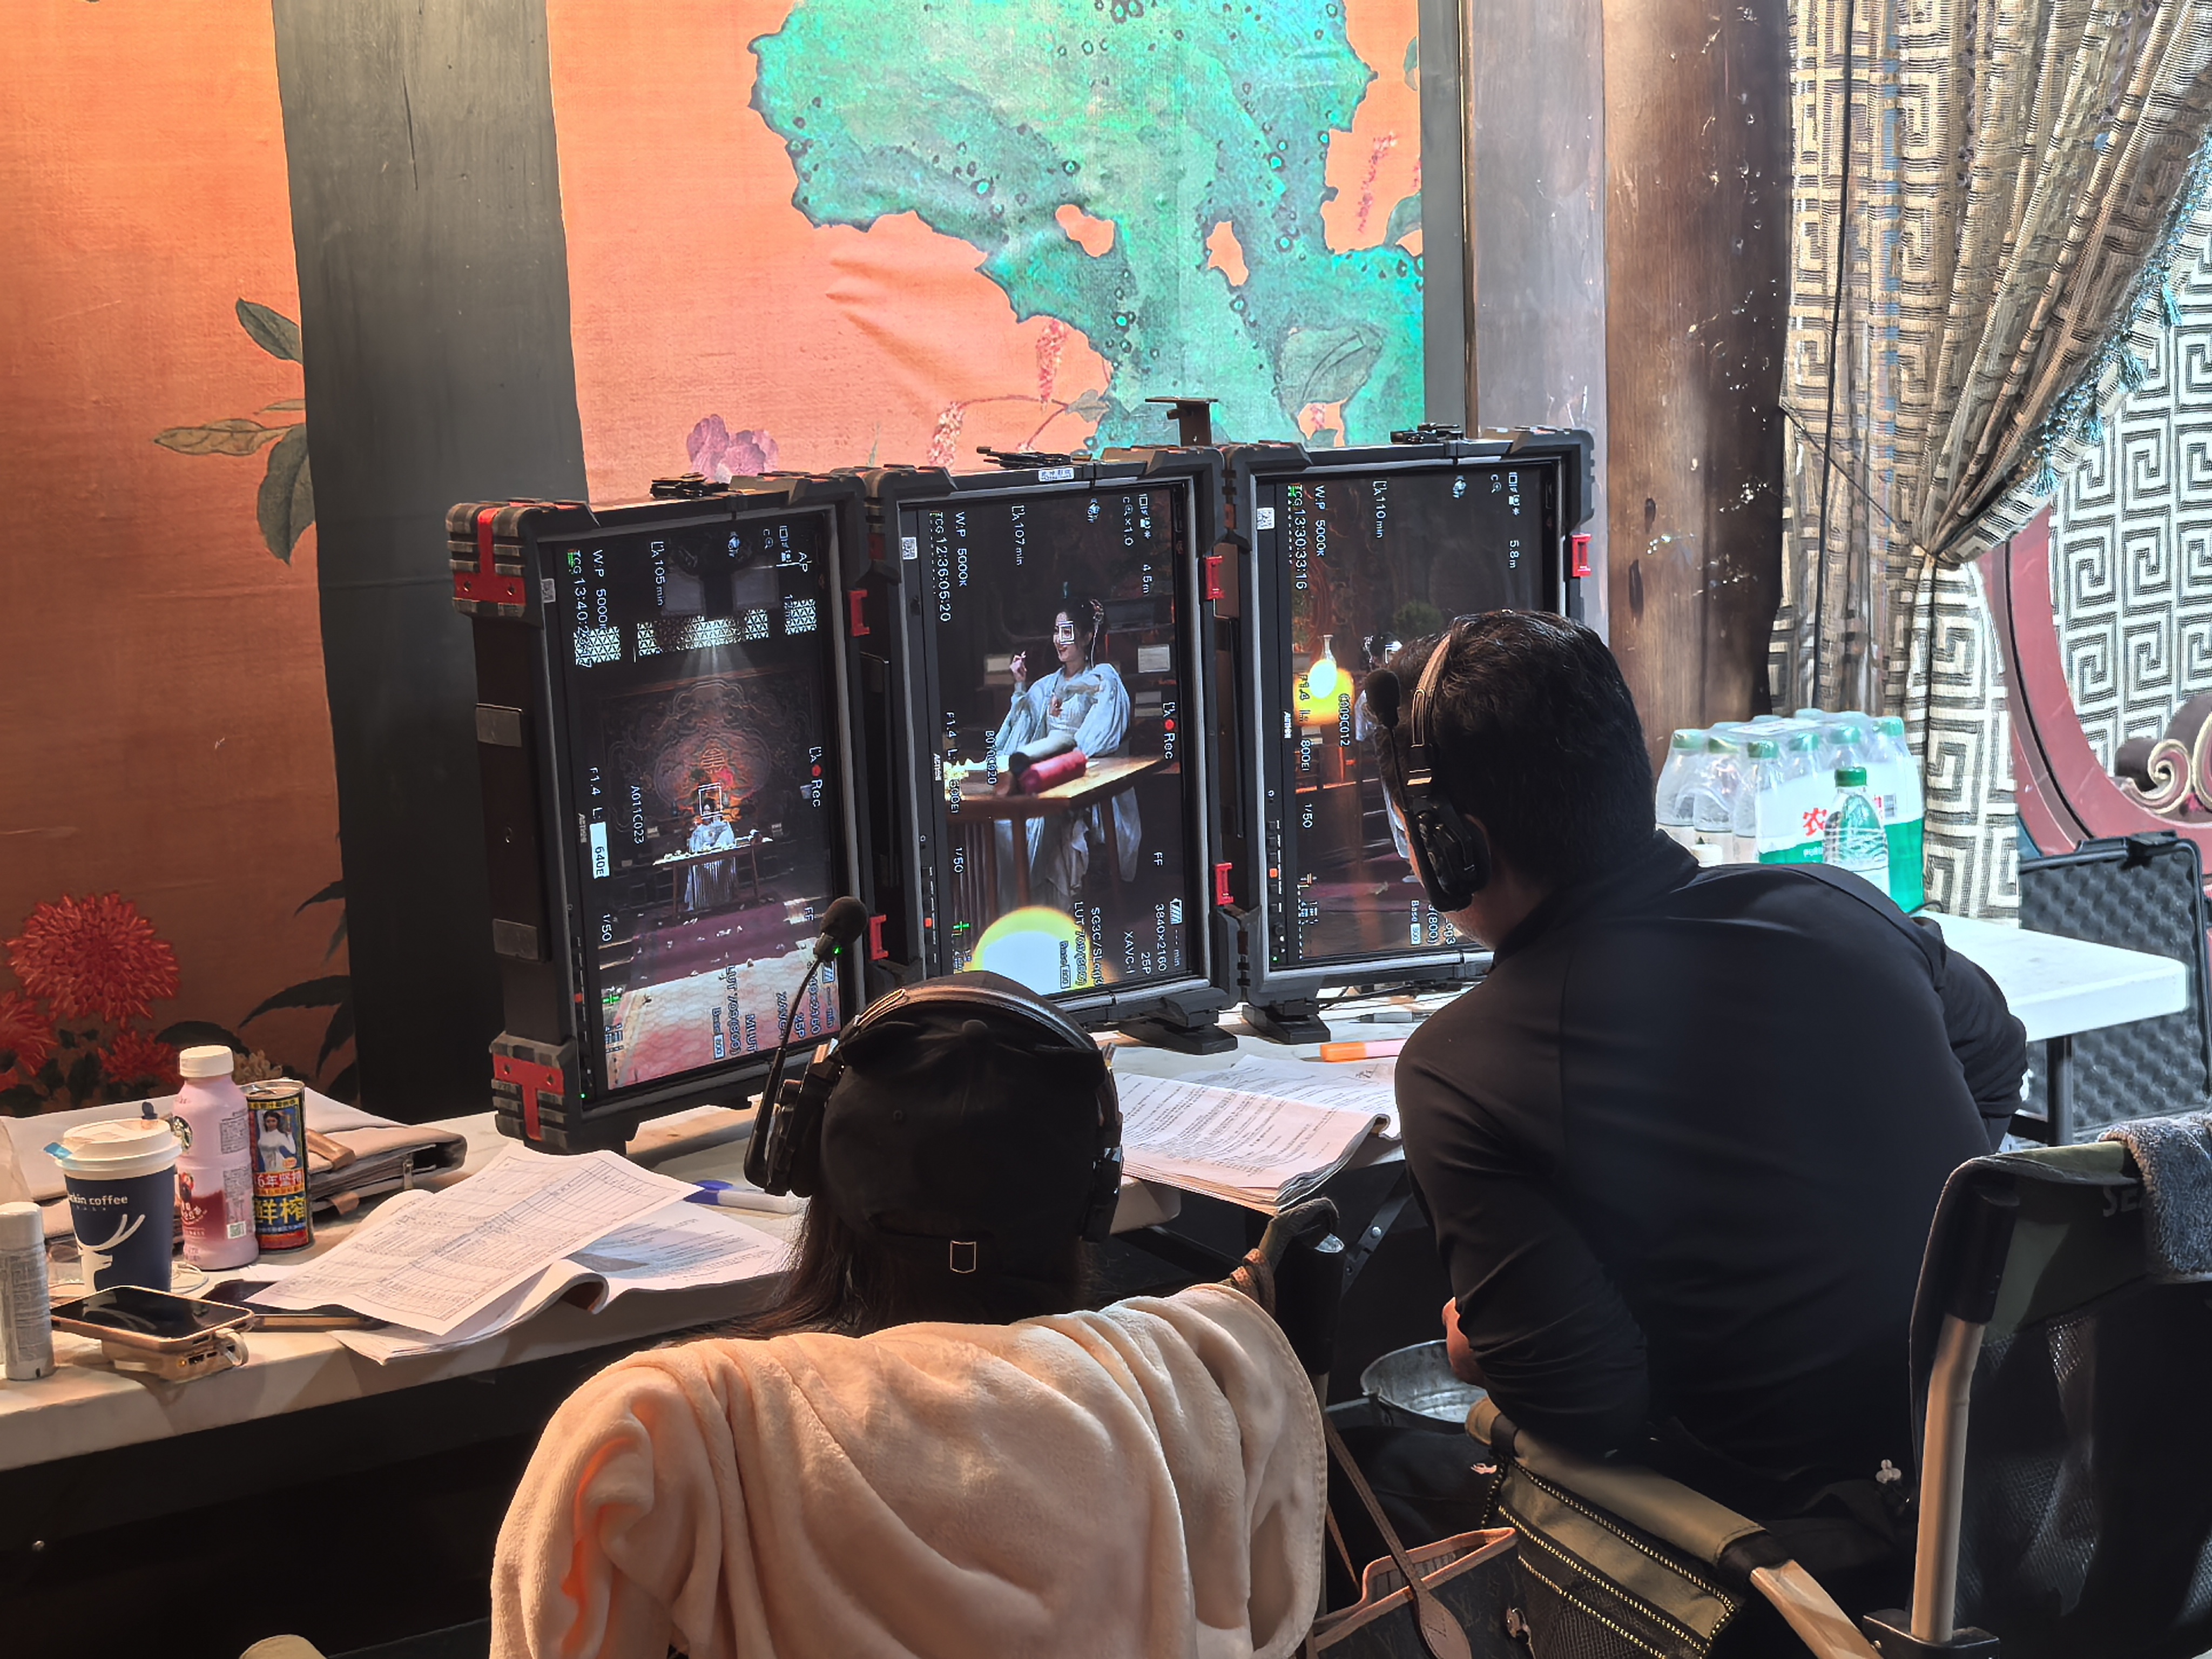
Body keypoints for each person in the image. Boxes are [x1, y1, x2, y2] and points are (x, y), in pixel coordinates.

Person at [1367, 613, 2025, 1567]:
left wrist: (1483, 1355)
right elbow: (1994, 1054)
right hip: (2006, 1515)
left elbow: (1586, 1407)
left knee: (1372, 1469)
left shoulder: (1455, 1067)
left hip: (1785, 1568)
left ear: (1450, 846)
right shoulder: (1839, 907)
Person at [994, 594, 1139, 912]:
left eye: (1068, 632)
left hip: (1084, 776)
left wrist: (1068, 755)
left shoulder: (1103, 679)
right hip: (1044, 773)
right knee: (1004, 820)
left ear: (1087, 636)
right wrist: (1020, 685)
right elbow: (1021, 729)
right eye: (1056, 631)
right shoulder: (1047, 685)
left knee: (1042, 817)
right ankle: (1012, 907)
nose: (1059, 640)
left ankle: (1033, 907)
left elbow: (1098, 738)